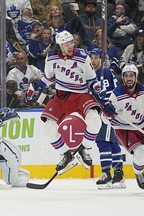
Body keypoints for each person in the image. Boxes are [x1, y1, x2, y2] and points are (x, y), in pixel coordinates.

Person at [39, 30, 103, 172]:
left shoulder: (82, 56)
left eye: (71, 42)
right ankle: (66, 154)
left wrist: (97, 87)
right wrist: (35, 87)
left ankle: (84, 149)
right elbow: (48, 78)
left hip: (81, 96)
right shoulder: (51, 57)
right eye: (66, 44)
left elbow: (92, 79)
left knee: (94, 120)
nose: (70, 46)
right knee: (48, 128)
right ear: (59, 46)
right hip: (61, 96)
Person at [104, 63, 144, 193]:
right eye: (126, 75)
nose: (129, 78)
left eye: (131, 75)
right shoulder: (116, 94)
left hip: (142, 126)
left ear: (136, 77)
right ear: (123, 77)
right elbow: (105, 119)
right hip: (123, 128)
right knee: (140, 152)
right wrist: (106, 114)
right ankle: (139, 173)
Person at [89, 48, 125, 190]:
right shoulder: (90, 75)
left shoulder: (107, 73)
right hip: (98, 112)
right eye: (92, 57)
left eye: (96, 57)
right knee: (111, 143)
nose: (93, 60)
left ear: (102, 59)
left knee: (103, 141)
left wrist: (109, 100)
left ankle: (106, 173)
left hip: (108, 112)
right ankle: (118, 174)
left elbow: (116, 90)